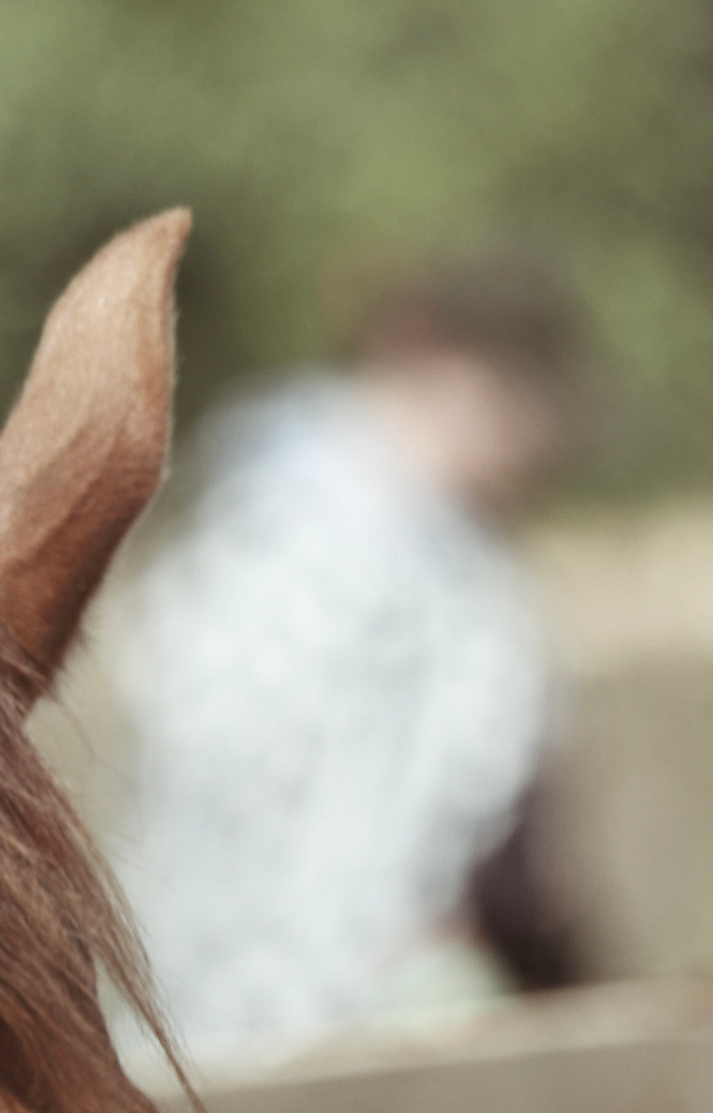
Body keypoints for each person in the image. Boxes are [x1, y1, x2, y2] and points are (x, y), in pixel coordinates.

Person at [104, 257, 583, 1066]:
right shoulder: (351, 551)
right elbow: (502, 859)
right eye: (520, 386)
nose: (541, 429)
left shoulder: (258, 519)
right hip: (323, 1032)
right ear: (425, 351)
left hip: (207, 1037)